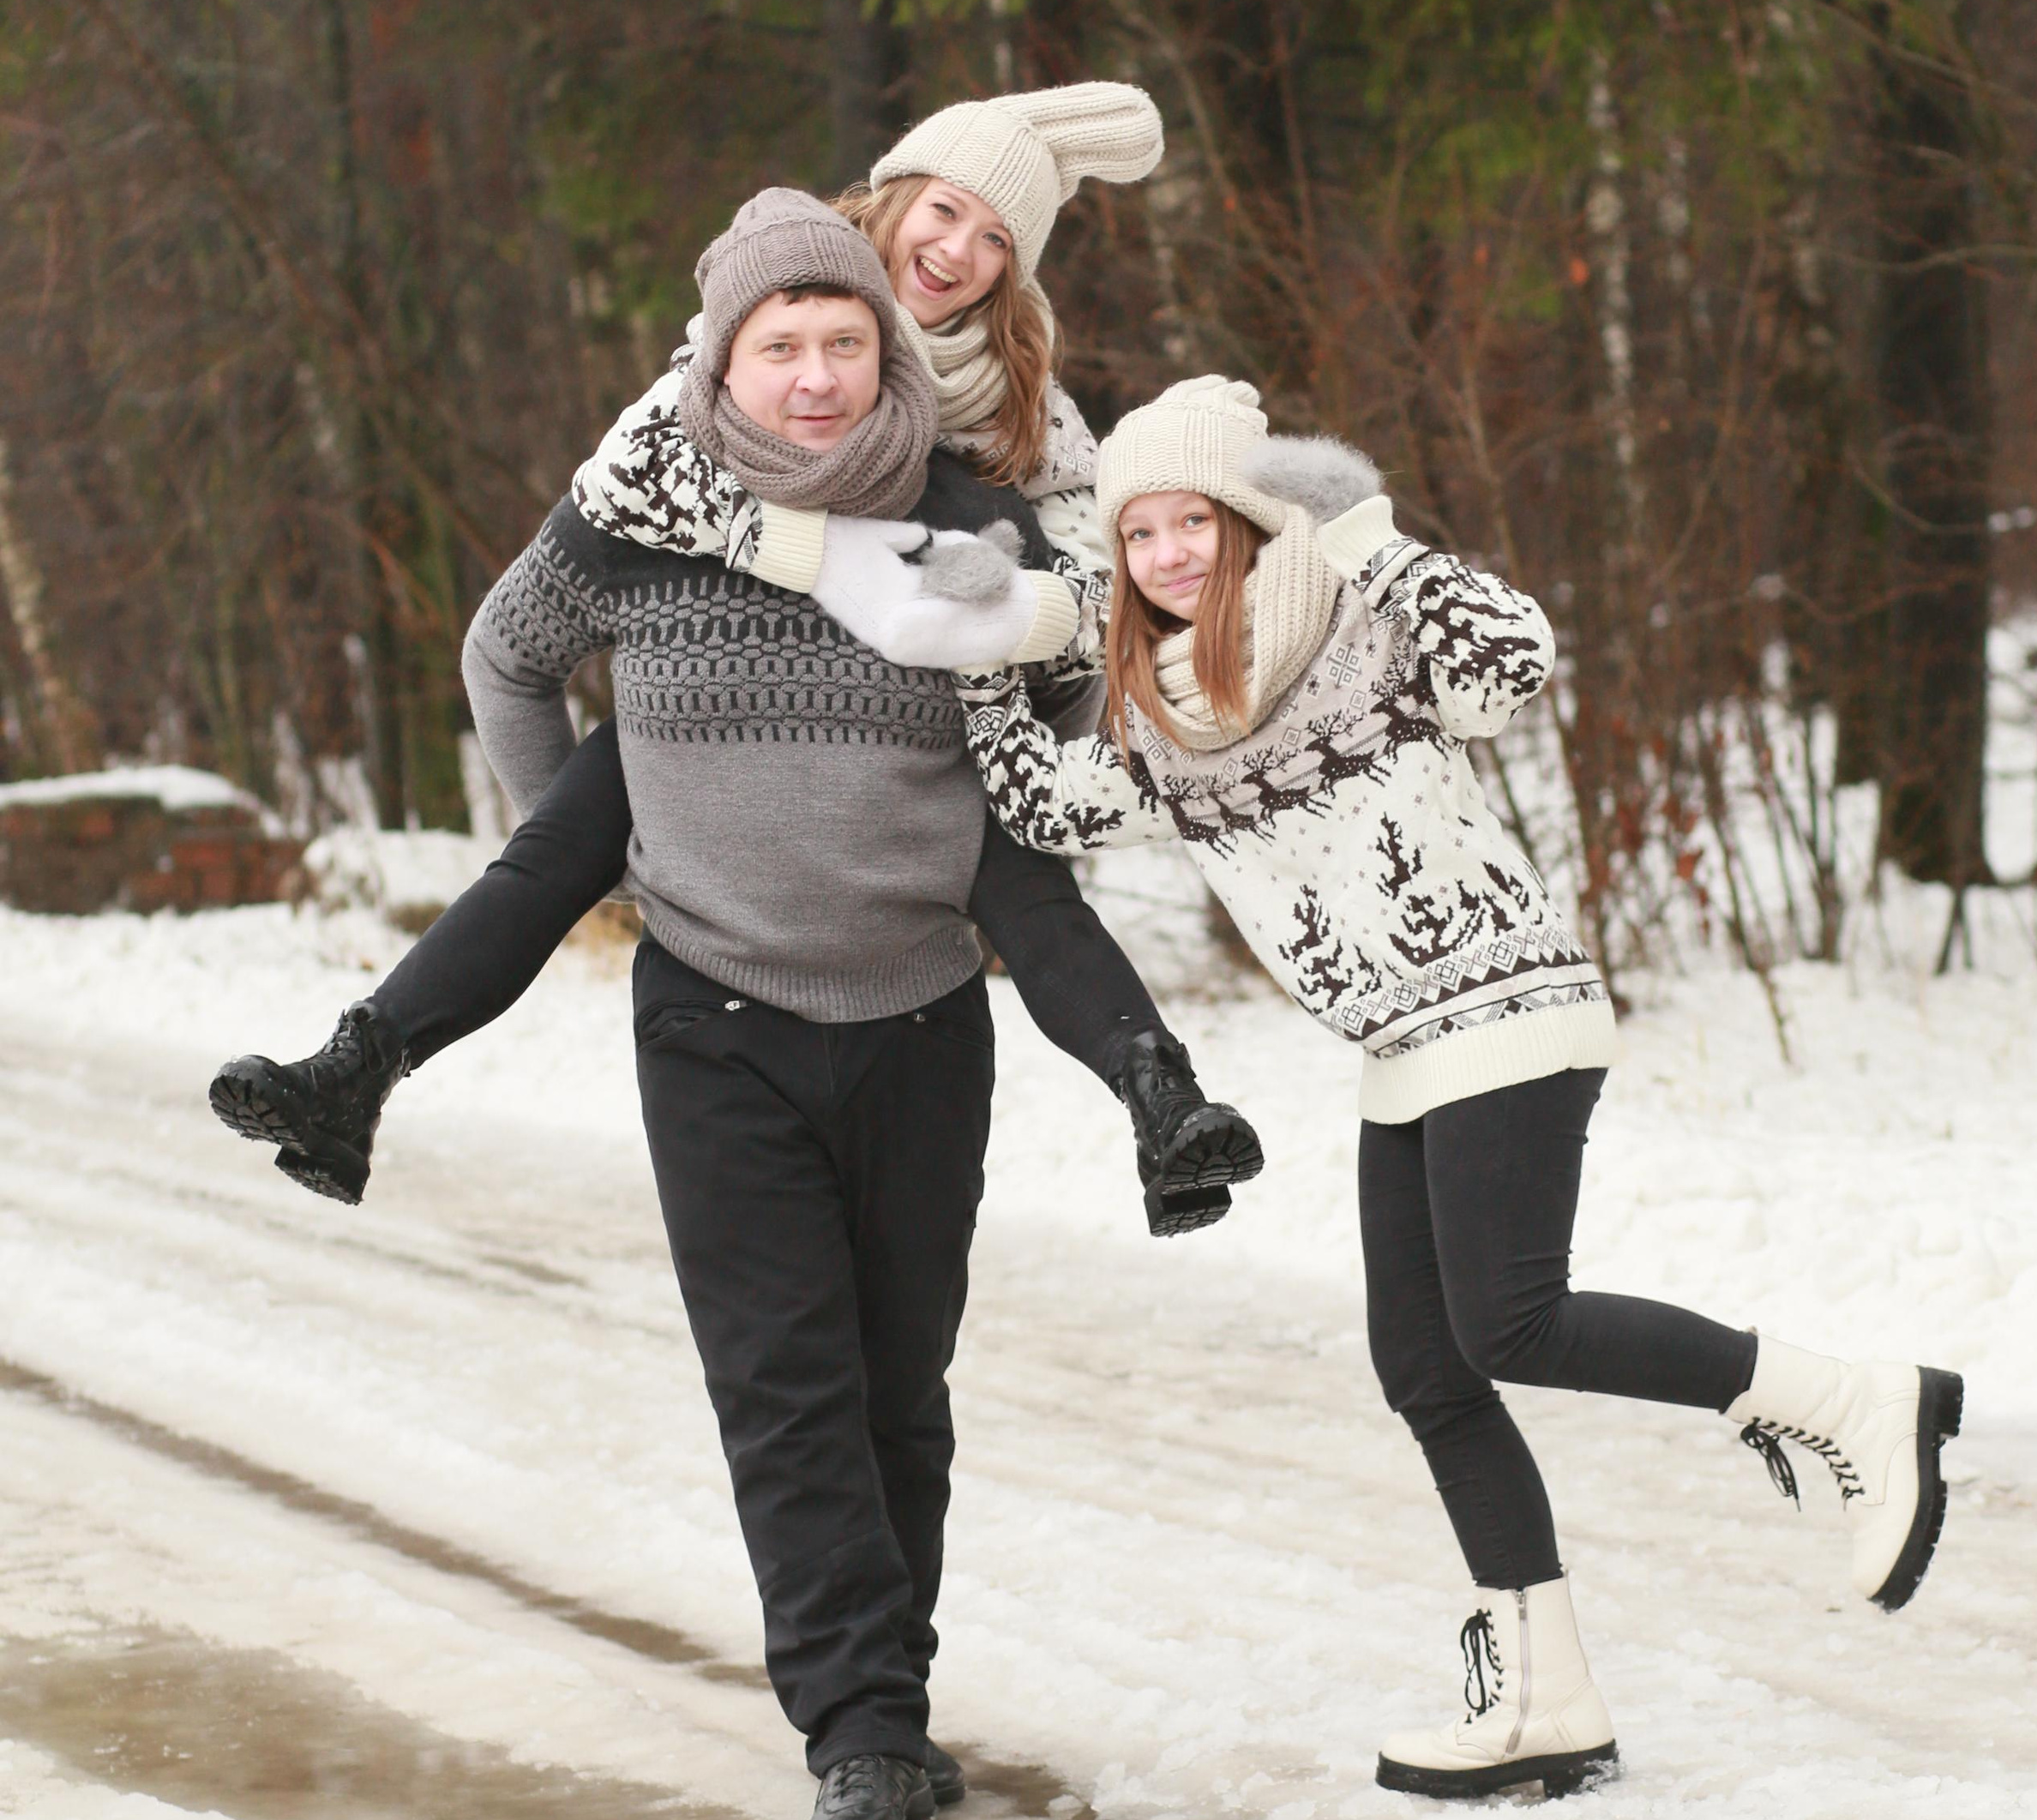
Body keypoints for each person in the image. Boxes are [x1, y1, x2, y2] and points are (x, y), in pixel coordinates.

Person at [953, 375, 1966, 1804]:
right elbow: (1043, 810)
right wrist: (985, 652)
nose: (1172, 553)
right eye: (1141, 534)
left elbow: (1513, 664)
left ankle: (1850, 1401)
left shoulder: (1357, 626)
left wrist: (1368, 539)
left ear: (1250, 521)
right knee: (1425, 1367)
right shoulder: (1150, 708)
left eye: (1198, 521)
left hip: (1506, 1001)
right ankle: (1548, 1696)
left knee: (1511, 1319)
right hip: (1400, 1049)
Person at [370, 189, 1115, 1820]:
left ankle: (889, 1705)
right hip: (711, 1016)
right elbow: (506, 658)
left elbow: (1067, 696)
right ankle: (852, 1732)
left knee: (893, 1392)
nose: (813, 373)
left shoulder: (963, 517)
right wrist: (595, 852)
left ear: (883, 355)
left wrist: (1006, 844)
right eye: (780, 345)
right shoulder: (644, 513)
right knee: (787, 1388)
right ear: (720, 358)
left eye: (842, 341)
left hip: (921, 1016)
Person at [210, 85, 1260, 1238]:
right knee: (559, 837)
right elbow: (608, 521)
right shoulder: (748, 329)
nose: (959, 251)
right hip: (713, 701)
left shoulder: (1027, 414)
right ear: (894, 197)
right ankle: (357, 1071)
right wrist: (637, 846)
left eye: (997, 238)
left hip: (928, 727)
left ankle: (1164, 1105)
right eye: (947, 210)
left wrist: (1025, 647)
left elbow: (1097, 606)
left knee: (1024, 882)